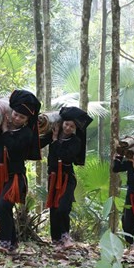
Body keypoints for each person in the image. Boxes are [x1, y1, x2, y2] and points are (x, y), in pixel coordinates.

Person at [0, 90, 41, 255]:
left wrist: (6, 131)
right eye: (15, 114)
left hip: (15, 178)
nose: (17, 118)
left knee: (3, 205)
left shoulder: (26, 134)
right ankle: (12, 243)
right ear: (10, 112)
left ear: (27, 120)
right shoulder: (0, 129)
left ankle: (4, 242)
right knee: (1, 209)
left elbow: (14, 148)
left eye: (22, 117)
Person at [40, 106, 92, 250]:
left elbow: (64, 155)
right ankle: (56, 240)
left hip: (67, 178)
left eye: (72, 126)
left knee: (63, 207)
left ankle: (65, 236)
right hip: (53, 176)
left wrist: (56, 140)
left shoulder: (76, 142)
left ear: (75, 128)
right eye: (66, 124)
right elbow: (38, 143)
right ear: (62, 123)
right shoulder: (52, 134)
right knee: (54, 207)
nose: (68, 128)